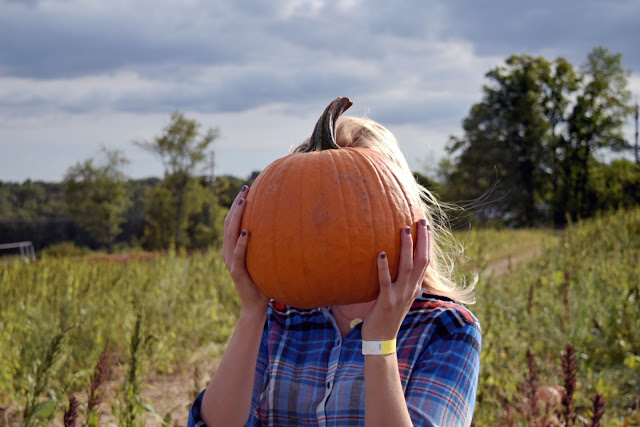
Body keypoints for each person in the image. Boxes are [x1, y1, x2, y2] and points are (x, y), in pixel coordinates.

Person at [188, 101, 481, 427]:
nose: (332, 226)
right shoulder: (281, 319)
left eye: (360, 206)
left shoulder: (447, 329)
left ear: (404, 208)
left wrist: (380, 343)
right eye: (313, 210)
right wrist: (252, 311)